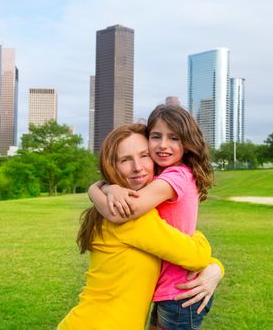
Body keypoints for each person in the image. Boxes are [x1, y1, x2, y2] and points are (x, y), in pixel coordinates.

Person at [58, 124, 222, 330]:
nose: (138, 167)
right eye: (125, 159)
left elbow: (173, 248)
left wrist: (100, 187)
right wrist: (214, 263)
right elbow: (195, 256)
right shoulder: (130, 216)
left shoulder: (118, 207)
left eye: (144, 155)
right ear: (112, 166)